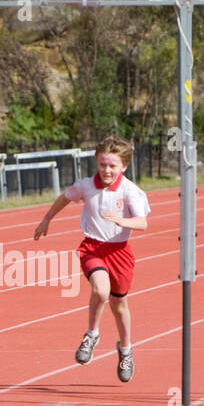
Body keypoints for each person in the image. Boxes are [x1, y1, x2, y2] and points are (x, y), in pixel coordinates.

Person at [33, 136, 151, 383]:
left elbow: (142, 223)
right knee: (100, 289)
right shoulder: (87, 186)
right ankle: (92, 334)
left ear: (124, 167)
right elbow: (65, 197)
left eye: (112, 166)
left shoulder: (131, 191)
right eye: (102, 165)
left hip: (119, 253)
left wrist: (122, 221)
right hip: (92, 248)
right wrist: (46, 219)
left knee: (120, 308)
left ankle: (126, 351)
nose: (106, 170)